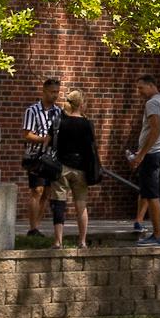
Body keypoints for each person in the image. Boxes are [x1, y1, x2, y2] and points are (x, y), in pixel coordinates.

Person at [130, 75, 160, 246]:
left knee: (152, 195)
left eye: (141, 88)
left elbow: (155, 128)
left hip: (153, 153)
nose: (139, 92)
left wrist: (141, 154)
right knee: (147, 191)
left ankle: (158, 235)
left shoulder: (152, 103)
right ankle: (140, 221)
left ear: (151, 85)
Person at [47, 88, 100, 247]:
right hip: (81, 169)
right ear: (81, 104)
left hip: (61, 167)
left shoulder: (59, 122)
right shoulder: (87, 124)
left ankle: (58, 241)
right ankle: (82, 241)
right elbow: (91, 147)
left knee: (59, 204)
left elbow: (48, 142)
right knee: (81, 205)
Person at [17, 77, 65, 243]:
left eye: (57, 92)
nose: (55, 95)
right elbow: (27, 134)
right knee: (36, 190)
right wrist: (44, 139)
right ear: (44, 91)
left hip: (52, 158)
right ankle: (32, 228)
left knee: (47, 192)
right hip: (36, 157)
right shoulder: (32, 111)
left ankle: (37, 225)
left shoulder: (58, 111)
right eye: (52, 92)